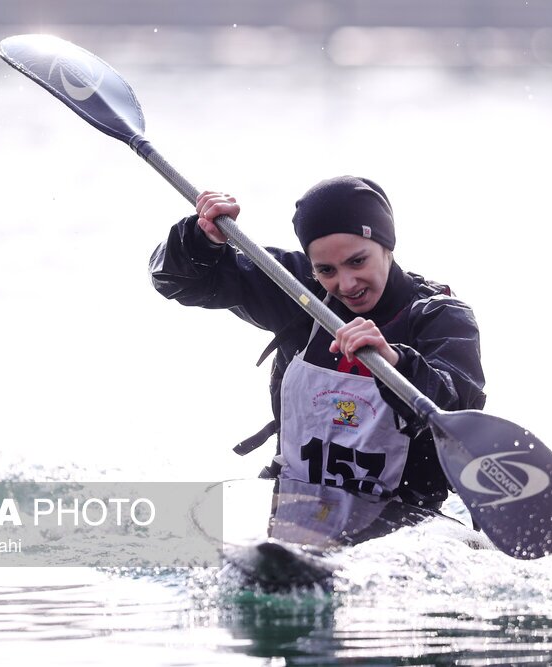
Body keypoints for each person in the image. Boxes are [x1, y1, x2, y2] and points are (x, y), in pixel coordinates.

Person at [148, 176, 486, 508]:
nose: (347, 283)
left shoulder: (441, 315)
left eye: (357, 261)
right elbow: (178, 281)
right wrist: (202, 240)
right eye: (326, 270)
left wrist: (395, 362)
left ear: (387, 246)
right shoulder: (297, 290)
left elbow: (457, 410)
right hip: (295, 500)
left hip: (404, 516)